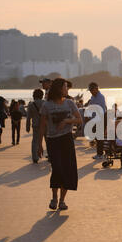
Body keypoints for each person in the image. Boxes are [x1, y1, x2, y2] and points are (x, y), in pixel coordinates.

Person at [38, 78, 82, 210]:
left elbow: (79, 120)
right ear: (58, 88)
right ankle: (54, 198)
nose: (67, 89)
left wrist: (67, 121)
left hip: (66, 140)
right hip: (53, 141)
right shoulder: (47, 105)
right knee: (57, 169)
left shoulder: (69, 103)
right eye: (65, 87)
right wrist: (39, 144)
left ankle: (62, 200)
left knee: (68, 169)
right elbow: (42, 125)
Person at [87, 82, 107, 159]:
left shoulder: (100, 97)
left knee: (99, 136)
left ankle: (100, 154)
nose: (91, 91)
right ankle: (101, 152)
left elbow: (101, 110)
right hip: (95, 118)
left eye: (92, 90)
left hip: (101, 118)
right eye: (90, 90)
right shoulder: (93, 97)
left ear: (96, 89)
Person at [26, 88, 44, 163]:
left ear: (34, 95)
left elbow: (28, 117)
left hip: (35, 124)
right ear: (42, 95)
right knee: (47, 139)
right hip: (44, 124)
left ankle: (35, 157)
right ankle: (49, 155)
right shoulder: (45, 103)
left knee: (35, 141)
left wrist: (27, 126)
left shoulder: (31, 104)